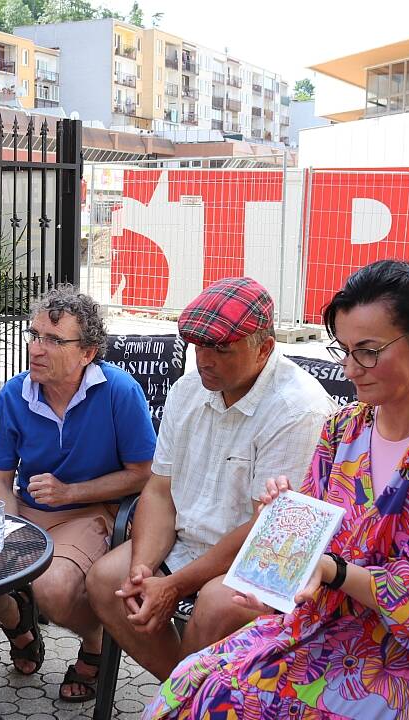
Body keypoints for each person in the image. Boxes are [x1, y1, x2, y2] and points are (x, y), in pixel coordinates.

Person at [143, 258, 409, 720]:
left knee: (229, 701)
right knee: (189, 684)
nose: (351, 369)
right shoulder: (344, 428)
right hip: (328, 627)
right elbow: (314, 541)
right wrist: (280, 538)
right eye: (344, 350)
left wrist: (329, 570)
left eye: (368, 351)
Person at [86, 276, 337, 681]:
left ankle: (185, 695)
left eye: (221, 349)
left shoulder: (297, 409)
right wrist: (143, 570)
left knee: (217, 606)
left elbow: (266, 528)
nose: (204, 359)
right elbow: (160, 490)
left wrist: (175, 586)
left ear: (264, 349)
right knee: (106, 581)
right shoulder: (188, 389)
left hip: (259, 557)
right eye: (198, 346)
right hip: (186, 542)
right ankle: (186, 693)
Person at [0, 285, 157, 701]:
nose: (36, 348)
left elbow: (143, 474)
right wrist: (8, 526)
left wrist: (71, 491)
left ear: (87, 353)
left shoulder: (119, 392)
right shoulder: (14, 394)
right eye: (35, 335)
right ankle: (18, 624)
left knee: (54, 589)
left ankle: (96, 640)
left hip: (91, 511)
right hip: (27, 511)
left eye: (54, 340)